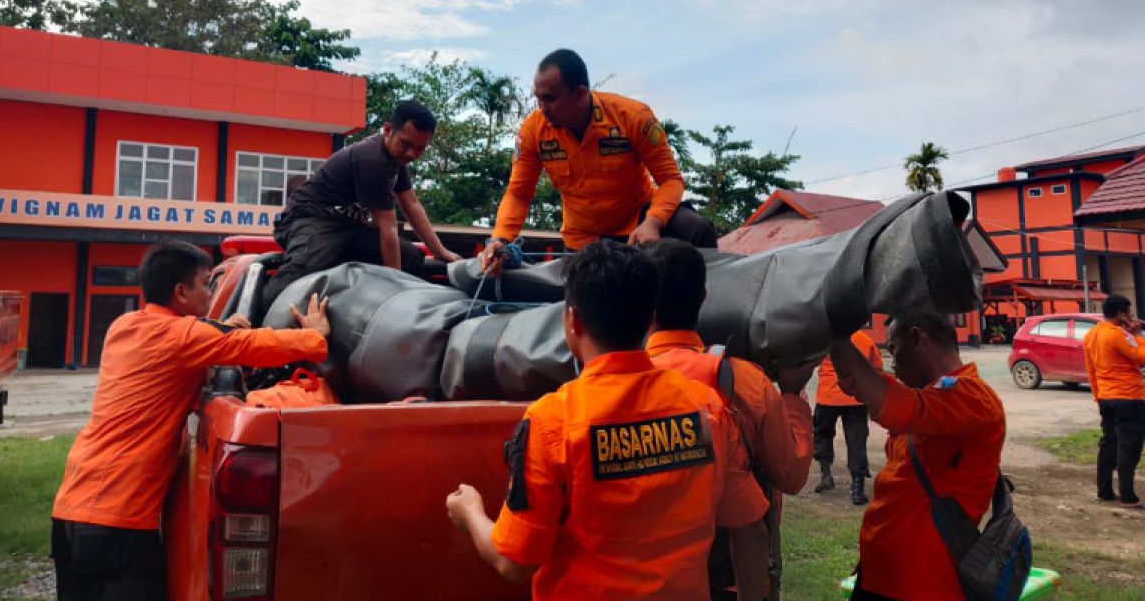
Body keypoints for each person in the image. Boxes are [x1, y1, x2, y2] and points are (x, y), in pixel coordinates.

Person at [445, 240, 764, 600]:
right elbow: (743, 515)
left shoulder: (553, 422)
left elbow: (514, 563)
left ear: (573, 320)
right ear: (650, 319)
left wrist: (470, 512)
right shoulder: (706, 407)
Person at [51, 241, 332, 600]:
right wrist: (316, 336)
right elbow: (257, 344)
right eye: (206, 283)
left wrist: (214, 329)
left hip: (70, 509)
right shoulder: (186, 337)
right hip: (120, 523)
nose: (212, 291)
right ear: (181, 292)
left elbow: (189, 341)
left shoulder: (123, 326)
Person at [642, 238, 814, 601]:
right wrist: (793, 396)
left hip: (646, 582)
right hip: (735, 580)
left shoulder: (615, 387)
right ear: (704, 297)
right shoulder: (747, 382)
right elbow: (792, 475)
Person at [479, 48, 714, 274]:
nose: (542, 108)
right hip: (583, 238)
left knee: (697, 230)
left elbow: (670, 180)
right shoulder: (533, 130)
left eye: (550, 99)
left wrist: (653, 222)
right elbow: (519, 193)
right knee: (590, 302)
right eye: (538, 98)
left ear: (580, 94)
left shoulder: (632, 118)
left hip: (639, 222)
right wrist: (500, 239)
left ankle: (710, 309)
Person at [830, 313, 1006, 601]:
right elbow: (857, 383)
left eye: (894, 349)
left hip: (925, 585)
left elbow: (886, 401)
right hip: (882, 576)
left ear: (916, 339)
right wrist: (833, 341)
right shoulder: (927, 397)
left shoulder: (974, 398)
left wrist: (835, 333)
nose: (892, 362)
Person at [263, 100, 461, 310]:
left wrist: (440, 251)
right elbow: (387, 227)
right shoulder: (371, 160)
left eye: (419, 148)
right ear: (387, 130)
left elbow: (411, 204)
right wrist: (397, 287)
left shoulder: (397, 160)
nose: (411, 153)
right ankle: (248, 319)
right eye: (406, 144)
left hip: (347, 226)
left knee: (410, 257)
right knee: (305, 268)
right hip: (309, 217)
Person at [1082, 293, 1145, 509]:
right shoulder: (1119, 334)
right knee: (1129, 446)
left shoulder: (1091, 334)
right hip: (1129, 397)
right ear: (1120, 314)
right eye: (1128, 312)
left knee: (1109, 442)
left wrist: (1097, 395)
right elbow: (1141, 356)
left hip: (1106, 397)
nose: (1131, 315)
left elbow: (1091, 369)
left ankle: (1105, 490)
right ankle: (1128, 496)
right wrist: (1137, 334)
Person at [813, 330, 883, 505]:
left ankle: (826, 475)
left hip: (827, 396)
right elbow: (877, 367)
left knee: (822, 434)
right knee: (856, 441)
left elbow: (809, 361)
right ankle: (857, 489)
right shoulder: (865, 339)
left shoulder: (825, 337)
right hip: (856, 396)